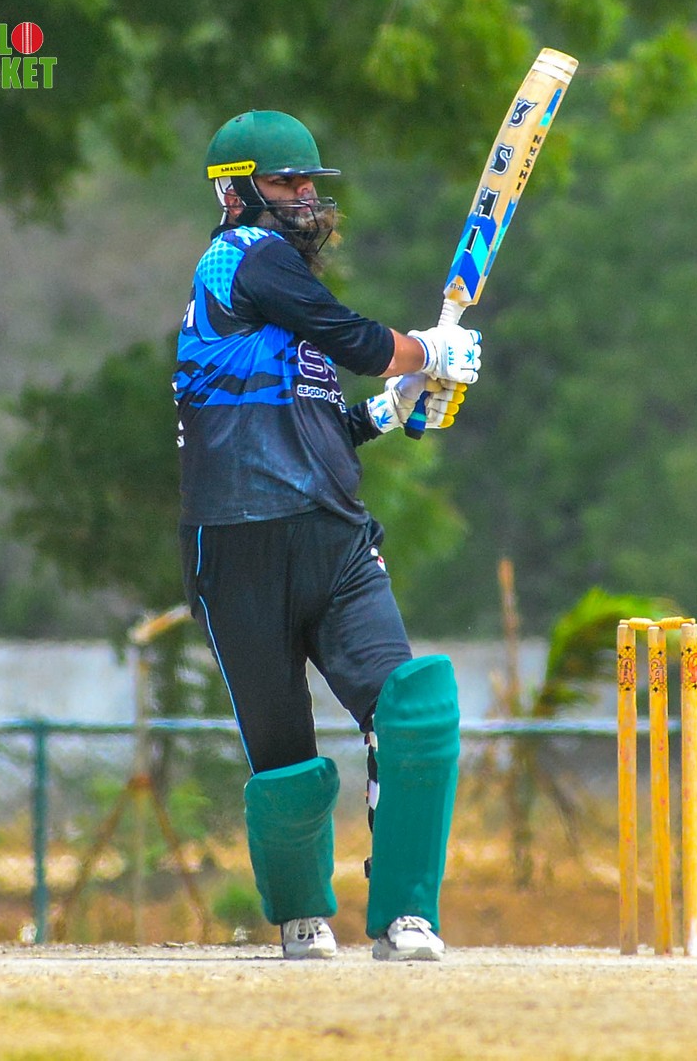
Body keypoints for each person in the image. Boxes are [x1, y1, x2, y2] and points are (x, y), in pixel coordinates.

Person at [175, 109, 472, 961]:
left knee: (412, 711)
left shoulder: (275, 311)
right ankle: (303, 911)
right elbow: (356, 339)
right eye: (284, 182)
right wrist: (425, 352)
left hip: (333, 539)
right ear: (234, 192)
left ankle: (408, 911)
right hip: (237, 544)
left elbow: (316, 423)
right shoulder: (241, 257)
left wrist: (390, 409)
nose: (304, 197)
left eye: (309, 181)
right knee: (284, 759)